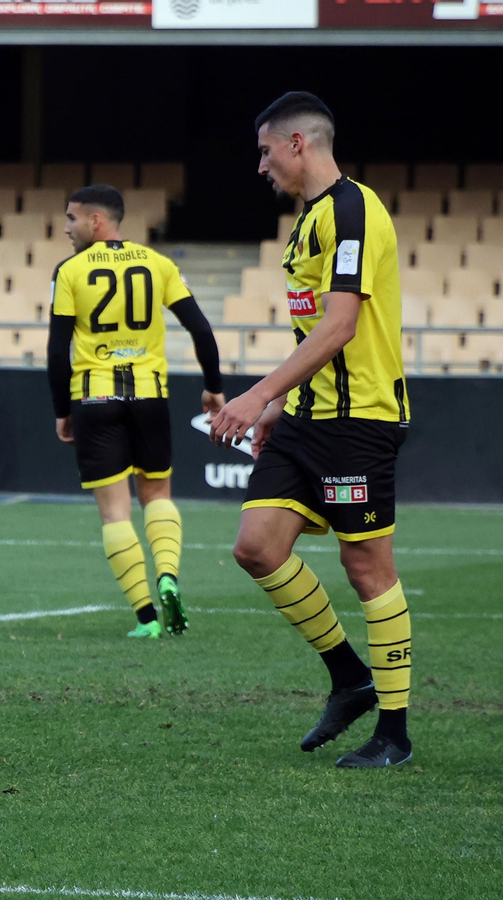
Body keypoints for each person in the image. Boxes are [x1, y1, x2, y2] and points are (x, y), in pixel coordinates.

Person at [210, 92, 413, 768]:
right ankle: (349, 676)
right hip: (305, 417)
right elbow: (313, 331)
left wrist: (257, 392)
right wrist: (277, 406)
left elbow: (341, 325)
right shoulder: (309, 222)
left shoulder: (351, 209)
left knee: (367, 567)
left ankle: (395, 731)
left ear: (299, 143)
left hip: (359, 422)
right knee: (256, 545)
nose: (261, 165)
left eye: (266, 151)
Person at [48, 185, 226, 639]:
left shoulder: (69, 271)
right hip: (150, 396)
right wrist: (213, 388)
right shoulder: (159, 264)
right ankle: (168, 574)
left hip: (94, 397)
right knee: (158, 495)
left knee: (115, 512)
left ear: (96, 221)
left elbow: (56, 350)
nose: (66, 227)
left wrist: (61, 409)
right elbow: (201, 329)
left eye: (72, 219)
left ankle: (146, 618)